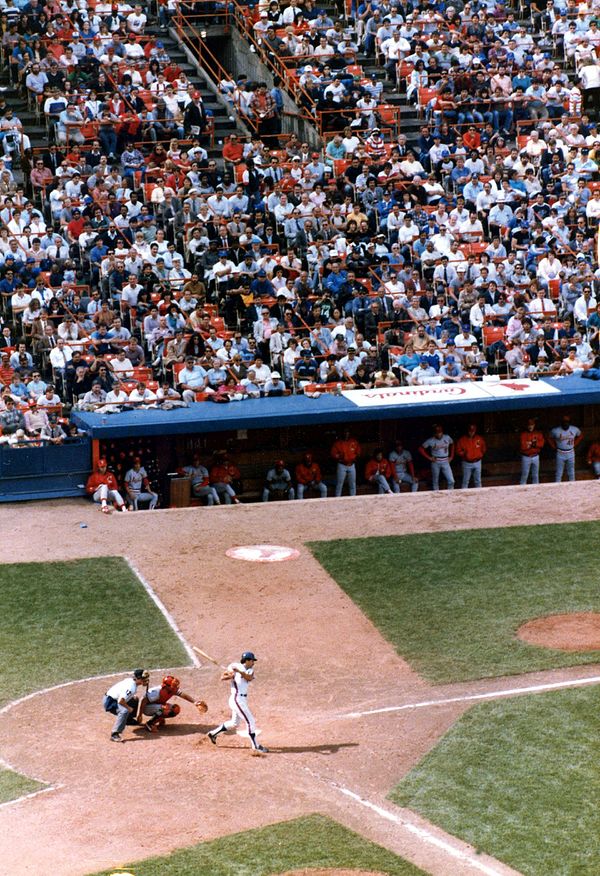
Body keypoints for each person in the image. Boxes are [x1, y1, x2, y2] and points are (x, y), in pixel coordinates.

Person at [207, 651, 268, 754]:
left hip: (242, 700)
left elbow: (248, 678)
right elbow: (223, 677)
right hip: (236, 699)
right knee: (250, 721)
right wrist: (231, 675)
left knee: (235, 723)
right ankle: (256, 746)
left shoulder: (250, 670)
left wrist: (239, 672)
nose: (254, 662)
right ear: (247, 660)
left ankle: (213, 734)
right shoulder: (234, 666)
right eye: (252, 660)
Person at [139, 674, 207, 733]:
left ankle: (158, 717)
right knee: (166, 709)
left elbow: (182, 694)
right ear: (166, 686)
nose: (175, 687)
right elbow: (143, 701)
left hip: (155, 706)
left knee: (175, 709)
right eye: (173, 685)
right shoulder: (157, 691)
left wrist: (194, 702)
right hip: (146, 708)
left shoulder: (171, 689)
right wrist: (140, 715)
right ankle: (150, 724)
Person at [102, 668, 149, 743]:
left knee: (135, 699)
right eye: (144, 679)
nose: (145, 681)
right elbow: (121, 701)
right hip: (110, 702)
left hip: (113, 698)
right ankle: (115, 734)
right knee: (124, 711)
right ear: (138, 678)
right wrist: (129, 708)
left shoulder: (131, 681)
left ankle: (128, 720)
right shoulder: (131, 687)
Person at [419, 424, 455, 491]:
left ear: (442, 432)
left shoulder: (447, 437)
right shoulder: (431, 440)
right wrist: (429, 458)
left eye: (440, 432)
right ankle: (436, 495)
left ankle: (450, 494)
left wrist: (451, 456)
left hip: (445, 460)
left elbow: (452, 444)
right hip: (436, 461)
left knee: (451, 480)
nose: (438, 434)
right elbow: (421, 449)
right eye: (437, 432)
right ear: (434, 433)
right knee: (435, 481)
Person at [548, 415, 583, 483]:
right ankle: (557, 486)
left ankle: (572, 486)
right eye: (564, 421)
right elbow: (549, 437)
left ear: (570, 422)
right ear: (561, 422)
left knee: (571, 472)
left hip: (571, 452)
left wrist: (575, 444)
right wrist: (553, 446)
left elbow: (580, 435)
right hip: (560, 452)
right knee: (559, 472)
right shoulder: (556, 430)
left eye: (567, 421)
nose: (565, 423)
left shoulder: (574, 429)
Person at [331, 429, 361, 497]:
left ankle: (353, 498)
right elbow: (333, 454)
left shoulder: (354, 442)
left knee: (352, 484)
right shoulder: (338, 443)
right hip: (342, 465)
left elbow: (358, 452)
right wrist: (339, 457)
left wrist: (355, 458)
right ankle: (337, 499)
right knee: (339, 483)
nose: (346, 434)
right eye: (345, 432)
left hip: (351, 465)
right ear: (342, 434)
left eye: (347, 432)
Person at [455, 423, 487, 489]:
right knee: (465, 481)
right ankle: (464, 496)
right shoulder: (462, 440)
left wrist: (479, 455)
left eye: (473, 431)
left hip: (477, 462)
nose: (471, 433)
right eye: (470, 431)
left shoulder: (479, 438)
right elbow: (458, 451)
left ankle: (479, 495)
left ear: (475, 431)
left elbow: (483, 449)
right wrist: (464, 453)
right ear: (468, 431)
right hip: (467, 463)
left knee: (478, 481)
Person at [519, 418, 545, 485]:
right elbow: (523, 447)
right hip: (526, 457)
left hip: (535, 456)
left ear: (534, 425)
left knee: (535, 475)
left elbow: (541, 444)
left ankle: (536, 491)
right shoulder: (523, 434)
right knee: (525, 475)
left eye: (532, 425)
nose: (530, 426)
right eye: (529, 425)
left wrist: (530, 444)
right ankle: (522, 490)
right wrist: (534, 444)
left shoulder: (538, 433)